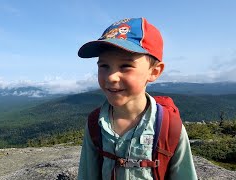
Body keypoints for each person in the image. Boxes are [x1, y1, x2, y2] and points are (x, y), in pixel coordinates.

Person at [77, 18, 197, 180]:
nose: (111, 77)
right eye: (103, 66)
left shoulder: (169, 127)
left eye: (125, 66)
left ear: (154, 71)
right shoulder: (95, 123)